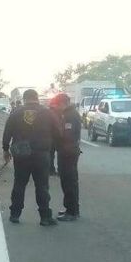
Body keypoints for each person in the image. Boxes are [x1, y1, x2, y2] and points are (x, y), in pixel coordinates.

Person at [3, 89, 61, 226]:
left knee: (19, 184)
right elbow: (58, 133)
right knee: (42, 186)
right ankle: (45, 217)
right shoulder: (48, 113)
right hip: (41, 154)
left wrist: (5, 150)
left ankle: (15, 215)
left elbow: (7, 133)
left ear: (24, 99)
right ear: (37, 98)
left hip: (21, 154)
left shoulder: (16, 113)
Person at [55, 93, 82, 221]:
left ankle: (72, 211)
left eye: (57, 105)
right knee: (67, 182)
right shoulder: (68, 113)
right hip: (67, 151)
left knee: (69, 182)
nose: (56, 108)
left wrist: (55, 137)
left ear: (62, 103)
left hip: (68, 152)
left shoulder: (70, 115)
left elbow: (67, 135)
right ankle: (69, 208)